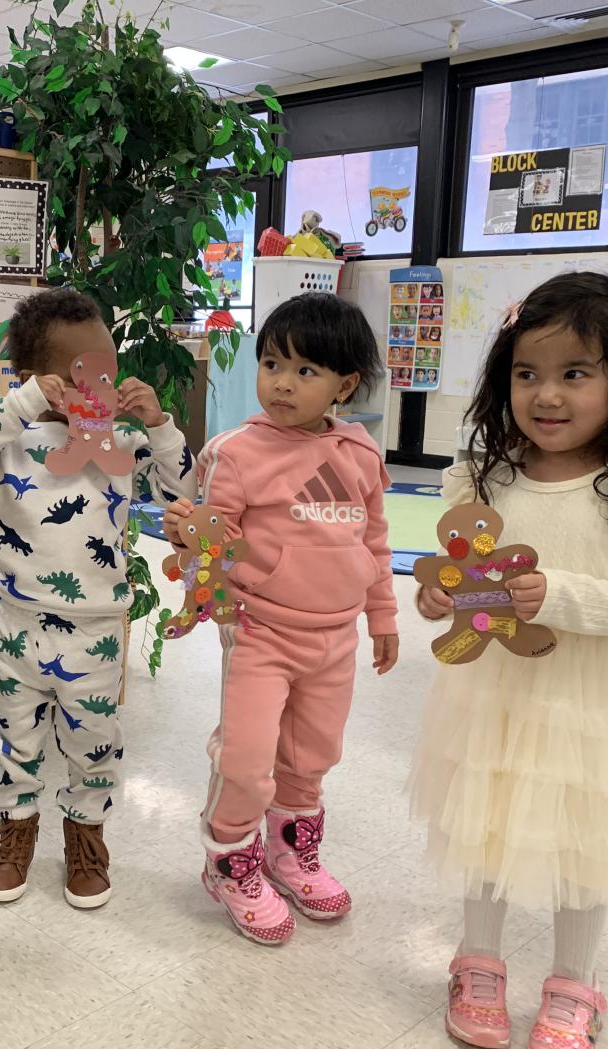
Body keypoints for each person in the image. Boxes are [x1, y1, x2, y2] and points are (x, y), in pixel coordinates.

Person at [409, 272, 608, 1049]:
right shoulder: (485, 477)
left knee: (584, 844)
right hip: (495, 692)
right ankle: (477, 961)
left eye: (575, 373)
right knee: (485, 824)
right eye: (526, 373)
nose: (546, 395)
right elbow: (468, 580)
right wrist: (441, 596)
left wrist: (562, 595)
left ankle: (575, 983)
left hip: (597, 701)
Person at [163, 291, 398, 945]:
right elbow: (215, 542)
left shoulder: (360, 454)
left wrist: (382, 616)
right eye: (271, 364)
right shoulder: (237, 452)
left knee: (312, 755)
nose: (282, 383)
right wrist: (190, 542)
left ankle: (290, 853)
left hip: (335, 637)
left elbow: (374, 541)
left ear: (344, 385)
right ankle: (229, 863)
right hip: (261, 632)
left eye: (305, 370)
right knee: (245, 759)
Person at [0, 289, 195, 908]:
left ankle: (86, 837)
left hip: (96, 625)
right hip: (18, 620)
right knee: (13, 737)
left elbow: (182, 489)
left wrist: (159, 424)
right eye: (81, 375)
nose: (101, 386)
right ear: (38, 378)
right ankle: (16, 832)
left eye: (108, 371)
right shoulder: (8, 436)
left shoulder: (122, 440)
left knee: (94, 738)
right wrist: (21, 402)